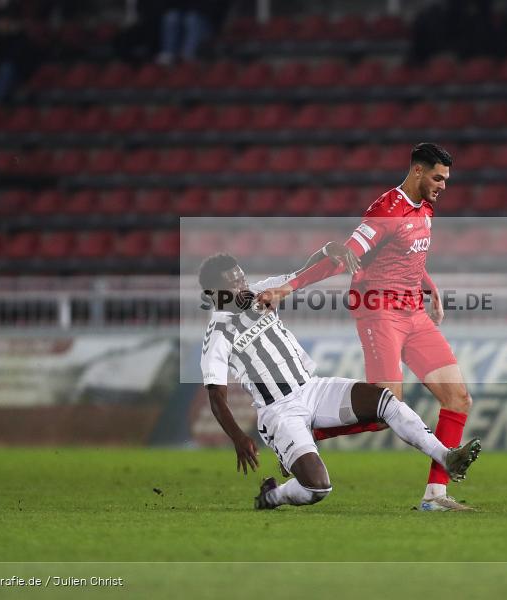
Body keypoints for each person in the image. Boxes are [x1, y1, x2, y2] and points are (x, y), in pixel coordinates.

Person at [258, 143, 477, 512]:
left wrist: (429, 285)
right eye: (438, 178)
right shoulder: (386, 211)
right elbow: (343, 257)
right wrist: (287, 287)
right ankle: (309, 434)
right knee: (386, 407)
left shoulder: (425, 208)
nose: (443, 186)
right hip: (380, 314)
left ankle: (435, 498)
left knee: (458, 399)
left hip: (414, 315)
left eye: (447, 179)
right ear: (418, 171)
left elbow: (407, 254)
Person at [198, 253, 481, 510]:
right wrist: (238, 437)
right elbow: (216, 396)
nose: (243, 287)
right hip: (279, 411)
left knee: (386, 401)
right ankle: (274, 495)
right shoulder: (218, 334)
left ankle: (447, 457)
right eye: (234, 285)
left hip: (312, 389)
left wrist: (324, 253)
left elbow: (302, 273)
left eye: (242, 279)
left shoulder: (261, 292)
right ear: (214, 294)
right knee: (317, 487)